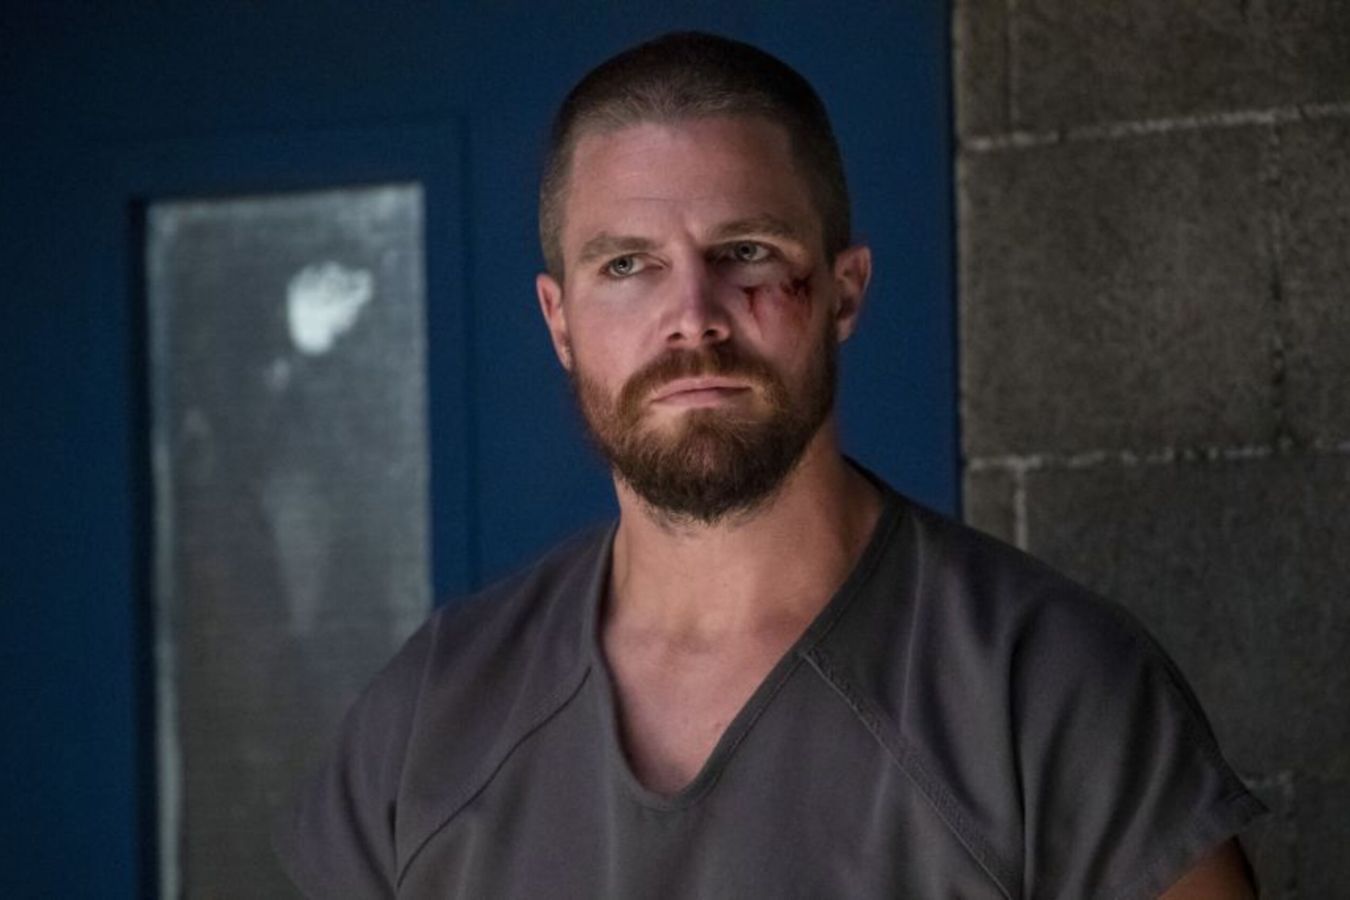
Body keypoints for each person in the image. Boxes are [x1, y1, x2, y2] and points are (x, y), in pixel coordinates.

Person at [276, 31, 1265, 898]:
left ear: (844, 292)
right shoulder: (430, 720)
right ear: (560, 322)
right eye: (627, 265)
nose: (692, 316)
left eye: (746, 252)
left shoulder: (1051, 691)